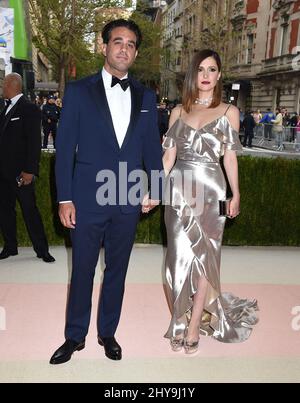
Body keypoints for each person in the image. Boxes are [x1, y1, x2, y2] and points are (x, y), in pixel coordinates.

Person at [50, 19, 163, 365]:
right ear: (104, 47)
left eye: (130, 44)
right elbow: (65, 147)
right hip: (85, 199)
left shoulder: (146, 96)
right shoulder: (79, 91)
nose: (123, 48)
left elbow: (152, 149)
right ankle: (74, 335)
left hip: (127, 199)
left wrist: (157, 187)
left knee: (117, 270)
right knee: (81, 269)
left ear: (136, 52)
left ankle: (108, 332)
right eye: (118, 42)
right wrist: (64, 198)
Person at [160, 49, 258, 354]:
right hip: (178, 192)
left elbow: (229, 158)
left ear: (219, 75)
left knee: (206, 258)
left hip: (213, 192)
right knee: (176, 260)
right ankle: (180, 316)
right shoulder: (177, 112)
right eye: (201, 69)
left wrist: (236, 192)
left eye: (212, 69)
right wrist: (152, 188)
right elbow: (168, 158)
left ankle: (190, 327)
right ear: (193, 74)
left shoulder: (230, 112)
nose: (206, 75)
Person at [0, 73, 55, 263]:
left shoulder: (29, 109)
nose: (1, 87)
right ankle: (10, 246)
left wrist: (30, 170)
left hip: (21, 173)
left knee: (29, 210)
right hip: (3, 173)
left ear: (11, 85)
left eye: (3, 84)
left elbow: (34, 142)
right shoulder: (3, 108)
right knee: (5, 210)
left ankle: (42, 250)